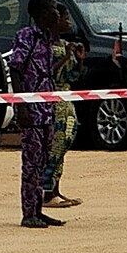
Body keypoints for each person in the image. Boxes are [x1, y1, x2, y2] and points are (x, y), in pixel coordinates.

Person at [5, 0, 66, 229]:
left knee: (42, 163)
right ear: (41, 13)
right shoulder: (26, 36)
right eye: (53, 8)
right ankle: (28, 213)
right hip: (31, 111)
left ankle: (38, 210)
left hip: (46, 110)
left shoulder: (48, 38)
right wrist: (21, 105)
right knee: (31, 164)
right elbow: (16, 69)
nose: (57, 13)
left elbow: (46, 72)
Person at [42, 24, 84, 210]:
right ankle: (47, 193)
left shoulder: (65, 43)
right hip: (53, 101)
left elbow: (73, 77)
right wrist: (66, 56)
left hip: (66, 100)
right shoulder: (45, 46)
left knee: (63, 146)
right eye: (64, 17)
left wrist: (79, 60)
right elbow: (47, 74)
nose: (68, 21)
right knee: (55, 147)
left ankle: (55, 190)